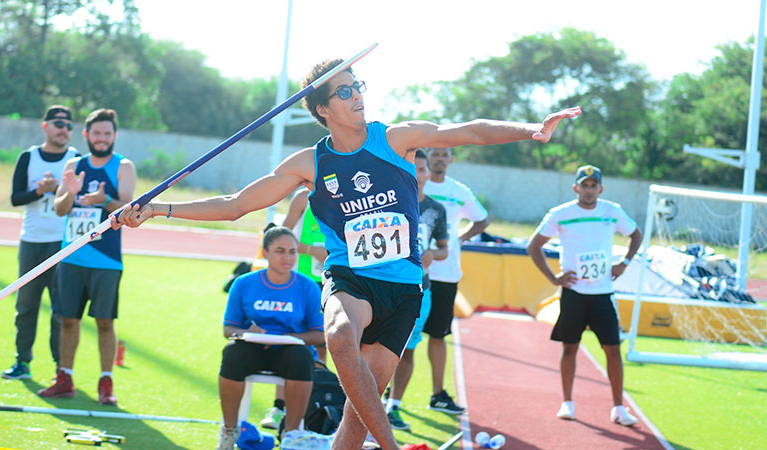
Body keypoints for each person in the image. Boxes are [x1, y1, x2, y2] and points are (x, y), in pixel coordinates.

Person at [112, 57, 580, 449]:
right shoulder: (310, 163)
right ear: (322, 109)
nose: (357, 95)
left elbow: (468, 132)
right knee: (338, 336)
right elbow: (236, 205)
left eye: (358, 86)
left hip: (403, 288)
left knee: (358, 416)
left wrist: (532, 130)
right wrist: (157, 208)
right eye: (344, 91)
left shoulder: (395, 139)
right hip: (350, 278)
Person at [526, 165, 643, 427]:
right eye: (584, 185)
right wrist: (553, 278)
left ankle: (618, 408)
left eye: (593, 185)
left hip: (603, 293)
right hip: (574, 293)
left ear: (601, 188)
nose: (589, 190)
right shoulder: (560, 214)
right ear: (575, 188)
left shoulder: (612, 211)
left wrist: (624, 263)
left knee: (612, 349)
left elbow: (636, 235)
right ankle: (567, 403)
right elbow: (534, 246)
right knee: (570, 347)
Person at [38, 109, 136, 406]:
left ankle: (106, 382)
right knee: (68, 320)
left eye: (107, 133)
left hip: (106, 260)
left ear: (114, 136)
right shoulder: (74, 165)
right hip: (72, 257)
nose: (102, 138)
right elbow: (60, 209)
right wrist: (71, 193)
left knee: (104, 323)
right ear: (86, 135)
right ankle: (64, 378)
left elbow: (130, 211)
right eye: (96, 133)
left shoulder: (123, 166)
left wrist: (105, 200)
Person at [216, 225, 326, 449]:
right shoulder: (244, 283)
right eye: (280, 251)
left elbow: (320, 334)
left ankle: (292, 435)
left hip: (290, 353)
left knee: (301, 357)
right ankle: (229, 430)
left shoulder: (308, 287)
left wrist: (289, 337)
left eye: (292, 251)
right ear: (265, 253)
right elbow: (228, 330)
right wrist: (247, 333)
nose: (287, 257)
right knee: (232, 353)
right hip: (253, 350)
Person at [2, 105, 80, 380]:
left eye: (69, 126)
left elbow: (81, 201)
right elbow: (15, 198)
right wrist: (39, 191)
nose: (64, 130)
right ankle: (22, 362)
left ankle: (61, 368)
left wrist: (59, 190)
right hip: (32, 241)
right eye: (58, 124)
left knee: (61, 309)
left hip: (63, 244)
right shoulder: (29, 157)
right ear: (45, 126)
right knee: (26, 305)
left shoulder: (76, 159)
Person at [243, 187, 330, 431]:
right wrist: (313, 250)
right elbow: (281, 238)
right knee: (291, 342)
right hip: (302, 280)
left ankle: (314, 406)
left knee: (323, 345)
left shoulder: (346, 194)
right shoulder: (303, 197)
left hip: (333, 281)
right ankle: (279, 407)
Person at [421, 146, 489, 414]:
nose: (439, 159)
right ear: (427, 157)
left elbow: (482, 220)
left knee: (438, 335)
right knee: (403, 337)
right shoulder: (416, 184)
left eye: (444, 155)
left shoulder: (459, 191)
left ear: (451, 159)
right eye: (434, 154)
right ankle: (391, 392)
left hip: (446, 273)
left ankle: (437, 394)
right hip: (414, 272)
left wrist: (459, 239)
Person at [385, 149, 448, 431]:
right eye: (411, 167)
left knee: (407, 350)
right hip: (385, 286)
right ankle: (365, 402)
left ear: (428, 174)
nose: (417, 174)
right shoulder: (387, 203)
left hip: (420, 289)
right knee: (375, 347)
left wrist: (432, 254)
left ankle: (393, 407)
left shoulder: (436, 210)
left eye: (422, 169)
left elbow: (444, 249)